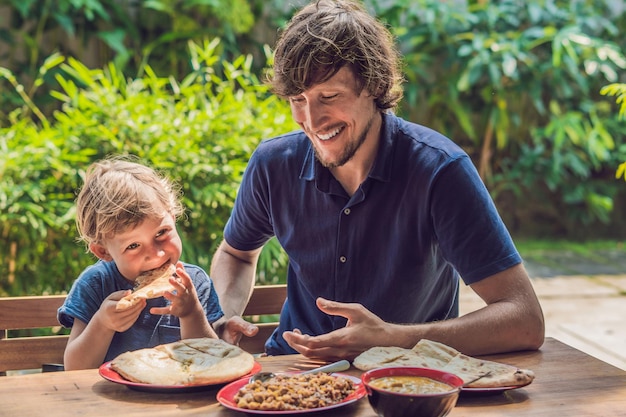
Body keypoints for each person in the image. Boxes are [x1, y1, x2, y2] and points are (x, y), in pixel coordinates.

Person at [210, 0, 545, 360]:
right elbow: (236, 254)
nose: (312, 119)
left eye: (330, 96)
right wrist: (226, 312)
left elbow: (523, 319)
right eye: (298, 99)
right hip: (293, 377)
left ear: (373, 84)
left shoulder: (440, 170)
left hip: (408, 380)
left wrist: (393, 339)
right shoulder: (272, 164)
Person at [58, 157, 248, 370]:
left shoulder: (193, 282)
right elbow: (74, 368)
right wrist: (103, 324)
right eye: (133, 246)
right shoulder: (96, 284)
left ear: (173, 216)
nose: (156, 254)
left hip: (179, 398)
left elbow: (211, 361)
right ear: (103, 251)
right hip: (113, 398)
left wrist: (191, 313)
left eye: (161, 232)